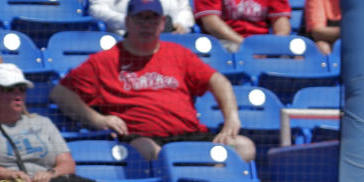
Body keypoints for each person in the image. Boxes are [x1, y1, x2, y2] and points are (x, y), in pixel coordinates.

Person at [50, 0, 256, 164]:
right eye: (140, 19)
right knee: (148, 150)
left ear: (162, 23)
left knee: (243, 147)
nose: (146, 25)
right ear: (128, 21)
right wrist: (99, 120)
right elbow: (60, 93)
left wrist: (231, 119)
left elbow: (218, 80)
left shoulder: (178, 54)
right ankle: (194, 181)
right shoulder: (106, 60)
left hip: (190, 137)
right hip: (145, 141)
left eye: (152, 19)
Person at [193, 0, 290, 53]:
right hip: (224, 42)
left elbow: (282, 24)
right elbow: (211, 23)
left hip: (261, 44)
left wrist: (274, 46)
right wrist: (245, 44)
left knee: (289, 54)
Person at [88, 0, 196, 35]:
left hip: (170, 37)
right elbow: (96, 10)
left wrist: (181, 24)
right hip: (122, 37)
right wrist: (129, 22)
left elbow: (185, 10)